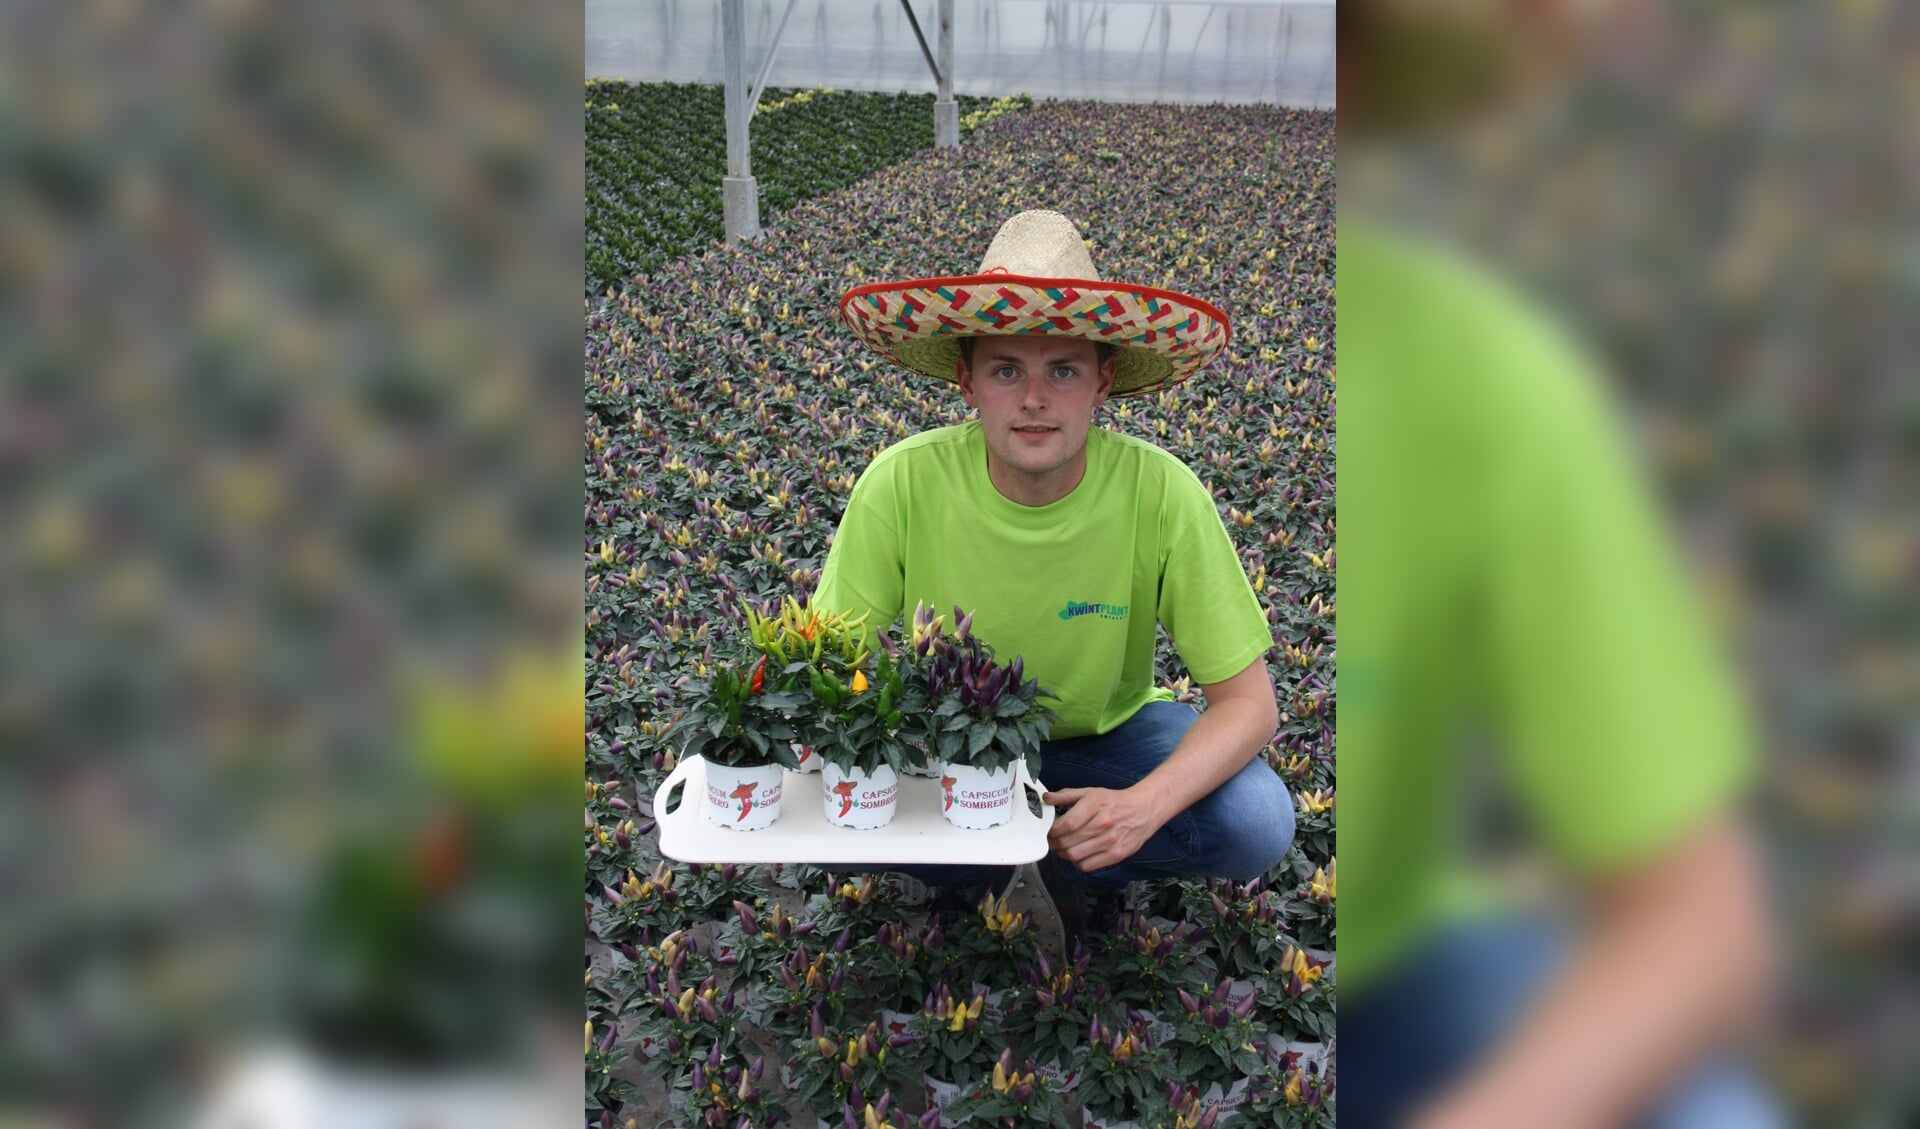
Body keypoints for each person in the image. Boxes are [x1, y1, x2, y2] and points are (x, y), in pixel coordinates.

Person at [815, 209, 1294, 941]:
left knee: (1256, 820)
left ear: (1103, 381)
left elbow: (1250, 705)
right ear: (966, 380)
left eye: (1062, 370)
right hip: (947, 739)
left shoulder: (1160, 492)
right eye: (1006, 369)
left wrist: (1143, 804)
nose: (1034, 399)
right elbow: (828, 667)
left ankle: (1088, 861)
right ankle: (969, 870)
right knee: (830, 793)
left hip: (1107, 738)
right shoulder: (901, 484)